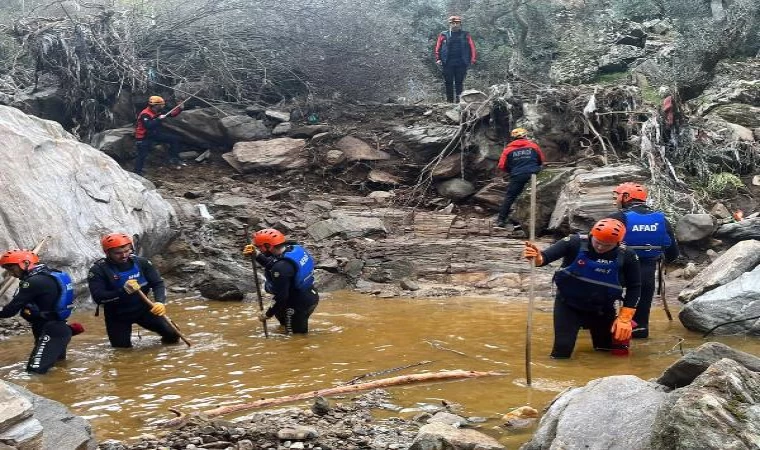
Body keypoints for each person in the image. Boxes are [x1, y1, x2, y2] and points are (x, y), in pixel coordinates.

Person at [522, 219, 641, 358]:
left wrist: (624, 318)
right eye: (597, 242)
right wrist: (537, 258)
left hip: (602, 309)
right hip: (568, 305)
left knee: (606, 351)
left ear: (618, 243)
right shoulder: (573, 242)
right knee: (562, 351)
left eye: (607, 245)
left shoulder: (628, 256)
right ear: (591, 235)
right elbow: (544, 258)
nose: (601, 247)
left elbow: (635, 287)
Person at [609, 182, 679, 339]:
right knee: (640, 326)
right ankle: (639, 332)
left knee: (605, 315)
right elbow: (673, 253)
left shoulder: (617, 218)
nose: (615, 201)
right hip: (646, 274)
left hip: (617, 273)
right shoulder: (662, 220)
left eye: (617, 197)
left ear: (626, 197)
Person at [87, 233, 179, 348]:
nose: (124, 255)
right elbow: (98, 297)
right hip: (117, 315)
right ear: (107, 253)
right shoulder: (98, 270)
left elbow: (157, 283)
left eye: (127, 250)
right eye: (118, 253)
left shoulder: (142, 263)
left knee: (173, 334)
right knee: (121, 351)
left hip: (144, 309)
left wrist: (160, 302)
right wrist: (123, 291)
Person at [0, 249, 84, 374]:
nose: (11, 273)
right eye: (8, 269)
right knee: (59, 369)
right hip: (56, 329)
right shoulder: (48, 275)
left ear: (25, 263)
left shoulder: (33, 282)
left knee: (34, 373)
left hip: (51, 331)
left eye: (12, 268)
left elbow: (10, 311)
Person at [242, 229, 319, 334]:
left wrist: (268, 314)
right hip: (308, 294)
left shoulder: (281, 268)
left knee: (296, 340)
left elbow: (281, 297)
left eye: (260, 247)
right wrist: (257, 255)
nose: (259, 249)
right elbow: (273, 264)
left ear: (269, 246)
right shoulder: (291, 249)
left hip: (298, 304)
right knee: (284, 323)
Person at [495, 128, 545, 229]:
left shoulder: (508, 149)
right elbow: (541, 160)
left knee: (510, 197)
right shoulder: (533, 146)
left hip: (517, 175)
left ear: (513, 138)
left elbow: (501, 165)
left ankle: (501, 220)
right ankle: (539, 221)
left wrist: (511, 170)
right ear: (525, 136)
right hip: (534, 174)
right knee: (537, 196)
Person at [134, 95, 184, 175]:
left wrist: (180, 109)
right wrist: (158, 119)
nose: (162, 106)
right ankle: (137, 172)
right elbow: (148, 125)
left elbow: (171, 114)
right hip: (143, 137)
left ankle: (174, 158)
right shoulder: (145, 114)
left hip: (154, 135)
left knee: (175, 139)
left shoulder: (158, 111)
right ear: (156, 105)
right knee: (142, 155)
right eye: (161, 105)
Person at [434, 15, 477, 103]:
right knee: (448, 82)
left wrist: (473, 59)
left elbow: (472, 47)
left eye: (457, 23)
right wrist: (438, 58)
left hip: (461, 62)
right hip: (447, 62)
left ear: (460, 24)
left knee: (459, 82)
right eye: (453, 23)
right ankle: (449, 102)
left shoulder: (466, 34)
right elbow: (438, 47)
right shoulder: (443, 34)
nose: (455, 25)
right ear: (450, 24)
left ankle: (459, 102)